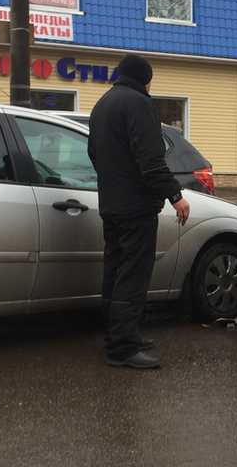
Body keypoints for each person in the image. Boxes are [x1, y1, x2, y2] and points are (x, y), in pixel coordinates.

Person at [87, 53, 190, 369]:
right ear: (145, 79)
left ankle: (118, 333)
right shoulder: (139, 104)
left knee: (115, 271)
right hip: (136, 207)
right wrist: (176, 196)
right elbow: (151, 159)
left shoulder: (103, 104)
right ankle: (123, 347)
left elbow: (95, 153)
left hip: (112, 204)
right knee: (133, 274)